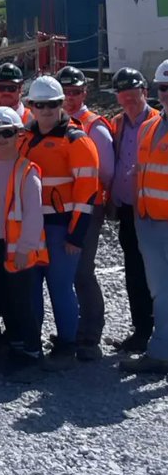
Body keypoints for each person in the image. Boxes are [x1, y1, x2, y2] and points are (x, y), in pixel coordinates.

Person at [18, 76, 100, 369]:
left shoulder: (77, 140)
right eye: (40, 105)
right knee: (32, 287)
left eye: (52, 104)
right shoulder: (24, 137)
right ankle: (32, 344)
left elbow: (87, 191)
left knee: (61, 287)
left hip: (61, 227)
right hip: (33, 227)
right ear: (31, 107)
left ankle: (67, 345)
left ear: (61, 104)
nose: (47, 110)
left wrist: (76, 236)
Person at [0, 107, 47, 379]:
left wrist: (25, 249)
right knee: (2, 299)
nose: (1, 138)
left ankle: (30, 352)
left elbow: (33, 214)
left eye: (7, 133)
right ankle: (15, 347)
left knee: (22, 303)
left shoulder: (27, 172)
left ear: (19, 135)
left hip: (17, 250)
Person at [57, 66, 114, 361]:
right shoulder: (52, 125)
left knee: (82, 271)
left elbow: (105, 172)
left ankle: (91, 334)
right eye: (64, 92)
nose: (70, 98)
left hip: (89, 207)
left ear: (85, 93)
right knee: (65, 272)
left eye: (75, 92)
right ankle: (75, 329)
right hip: (63, 208)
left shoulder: (94, 127)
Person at [122, 58, 168, 375]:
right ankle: (161, 350)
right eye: (164, 87)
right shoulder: (149, 127)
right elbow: (141, 172)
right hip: (150, 223)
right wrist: (139, 214)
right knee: (160, 291)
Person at [109, 67, 157, 353]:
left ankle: (158, 333)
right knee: (134, 272)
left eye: (133, 92)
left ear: (145, 92)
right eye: (123, 93)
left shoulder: (159, 122)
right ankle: (141, 330)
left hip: (154, 211)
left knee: (157, 274)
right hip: (128, 209)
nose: (128, 98)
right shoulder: (117, 123)